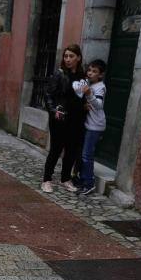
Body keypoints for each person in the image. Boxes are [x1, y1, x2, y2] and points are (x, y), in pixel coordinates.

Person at [41, 44, 86, 193]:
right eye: (66, 56)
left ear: (78, 58)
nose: (67, 59)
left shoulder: (82, 76)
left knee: (71, 151)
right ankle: (46, 180)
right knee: (56, 149)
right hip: (60, 119)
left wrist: (86, 105)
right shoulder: (59, 74)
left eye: (71, 56)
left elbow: (82, 96)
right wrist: (54, 111)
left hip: (76, 119)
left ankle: (65, 179)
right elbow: (48, 95)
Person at [75, 59, 107, 196]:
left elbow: (99, 105)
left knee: (87, 156)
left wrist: (89, 94)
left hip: (95, 126)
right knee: (83, 154)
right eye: (89, 70)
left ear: (100, 75)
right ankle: (82, 179)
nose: (90, 73)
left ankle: (89, 183)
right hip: (87, 124)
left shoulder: (100, 87)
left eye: (94, 71)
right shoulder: (88, 84)